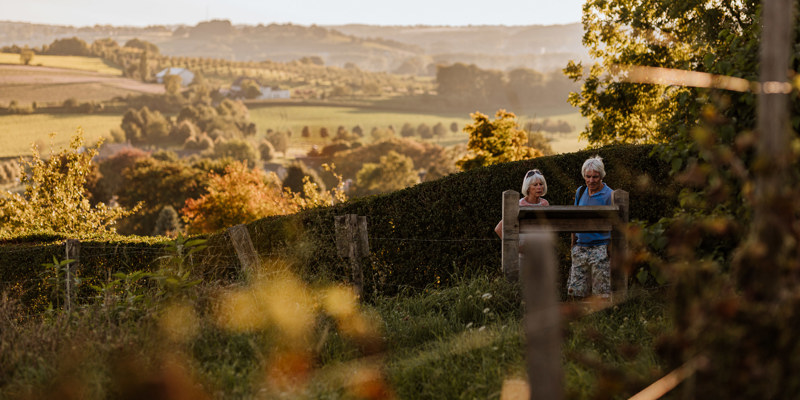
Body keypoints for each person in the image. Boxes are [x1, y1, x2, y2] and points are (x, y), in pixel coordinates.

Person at [568, 155, 613, 299]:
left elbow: (616, 224)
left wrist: (611, 249)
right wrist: (573, 244)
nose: (591, 180)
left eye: (595, 177)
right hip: (580, 247)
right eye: (588, 176)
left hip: (601, 248)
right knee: (576, 293)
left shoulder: (609, 195)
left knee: (601, 294)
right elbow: (574, 218)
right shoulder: (580, 192)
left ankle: (601, 320)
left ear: (601, 176)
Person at [495, 169, 550, 238]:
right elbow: (498, 229)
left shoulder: (545, 203)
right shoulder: (520, 204)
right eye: (535, 185)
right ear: (528, 188)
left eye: (541, 184)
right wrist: (512, 246)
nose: (539, 187)